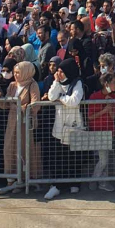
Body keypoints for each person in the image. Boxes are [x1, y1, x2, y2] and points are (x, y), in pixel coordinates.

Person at [44, 58, 86, 200]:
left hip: (73, 125)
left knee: (74, 157)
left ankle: (74, 183)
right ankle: (59, 185)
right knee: (60, 157)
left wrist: (61, 97)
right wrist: (56, 82)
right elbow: (51, 96)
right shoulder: (57, 82)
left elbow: (74, 101)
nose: (59, 73)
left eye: (61, 71)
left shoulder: (77, 83)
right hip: (59, 126)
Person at [85, 71, 115, 192]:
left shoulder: (113, 97)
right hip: (98, 131)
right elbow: (90, 116)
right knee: (103, 159)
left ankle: (103, 182)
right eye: (113, 82)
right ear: (106, 84)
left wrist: (109, 105)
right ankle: (95, 179)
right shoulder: (94, 97)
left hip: (110, 131)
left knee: (106, 158)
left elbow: (113, 116)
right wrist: (104, 110)